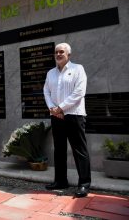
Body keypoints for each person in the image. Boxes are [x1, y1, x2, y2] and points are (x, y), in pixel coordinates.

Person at [43, 42, 91, 198]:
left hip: (74, 115)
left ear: (68, 54)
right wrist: (53, 108)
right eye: (56, 52)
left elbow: (79, 93)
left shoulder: (78, 69)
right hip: (56, 116)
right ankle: (60, 181)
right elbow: (46, 92)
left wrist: (61, 107)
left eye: (61, 52)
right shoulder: (50, 73)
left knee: (79, 151)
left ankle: (84, 184)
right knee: (59, 150)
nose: (58, 54)